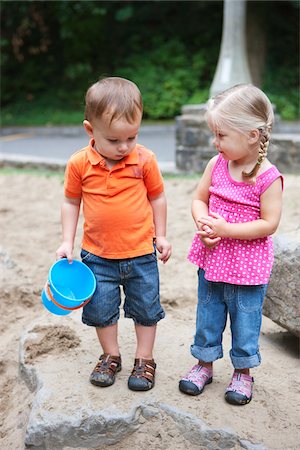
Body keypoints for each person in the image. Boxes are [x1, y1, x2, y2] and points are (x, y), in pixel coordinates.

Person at [56, 77, 171, 392]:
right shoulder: (80, 163)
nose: (124, 147)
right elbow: (71, 201)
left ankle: (144, 359)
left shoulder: (144, 159)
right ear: (90, 130)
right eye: (115, 140)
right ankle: (111, 355)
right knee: (101, 309)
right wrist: (67, 241)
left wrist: (161, 235)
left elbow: (157, 197)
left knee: (146, 308)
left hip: (141, 253)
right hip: (97, 256)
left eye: (131, 137)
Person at [179, 84, 283, 405]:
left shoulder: (268, 178)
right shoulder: (216, 164)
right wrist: (204, 221)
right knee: (208, 314)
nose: (215, 142)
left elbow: (269, 224)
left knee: (245, 319)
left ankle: (242, 373)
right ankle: (204, 364)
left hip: (248, 268)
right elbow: (199, 199)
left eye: (222, 135)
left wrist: (228, 229)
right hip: (212, 259)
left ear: (252, 135)